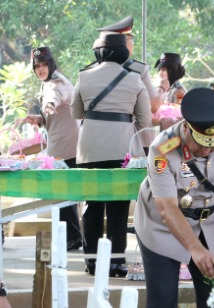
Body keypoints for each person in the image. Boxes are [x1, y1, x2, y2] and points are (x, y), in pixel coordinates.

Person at [133, 88, 214, 307]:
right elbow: (166, 208)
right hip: (162, 227)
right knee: (163, 300)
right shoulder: (162, 149)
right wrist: (195, 249)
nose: (207, 150)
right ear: (186, 128)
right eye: (202, 143)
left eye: (213, 144)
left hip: (211, 224)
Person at [71, 33, 152, 277]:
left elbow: (76, 112)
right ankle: (116, 262)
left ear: (98, 53)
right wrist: (147, 152)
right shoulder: (134, 80)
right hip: (122, 149)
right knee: (118, 207)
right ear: (123, 53)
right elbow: (144, 120)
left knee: (91, 206)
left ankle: (93, 262)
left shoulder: (83, 77)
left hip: (89, 149)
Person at [22, 47, 83, 251]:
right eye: (37, 66)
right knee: (63, 193)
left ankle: (73, 237)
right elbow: (54, 113)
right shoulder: (47, 82)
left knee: (63, 193)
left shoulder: (58, 82)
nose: (40, 69)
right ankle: (71, 236)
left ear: (51, 63)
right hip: (61, 145)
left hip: (68, 147)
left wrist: (48, 106)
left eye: (43, 64)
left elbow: (55, 98)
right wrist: (40, 119)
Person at [96, 16, 162, 114]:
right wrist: (162, 87)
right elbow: (154, 106)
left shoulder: (92, 70)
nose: (133, 43)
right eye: (130, 37)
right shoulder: (139, 70)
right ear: (122, 42)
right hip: (128, 128)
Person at [152, 52, 187, 131]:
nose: (160, 73)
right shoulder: (167, 90)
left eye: (164, 70)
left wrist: (159, 121)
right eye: (159, 70)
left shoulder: (179, 91)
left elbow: (181, 116)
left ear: (173, 70)